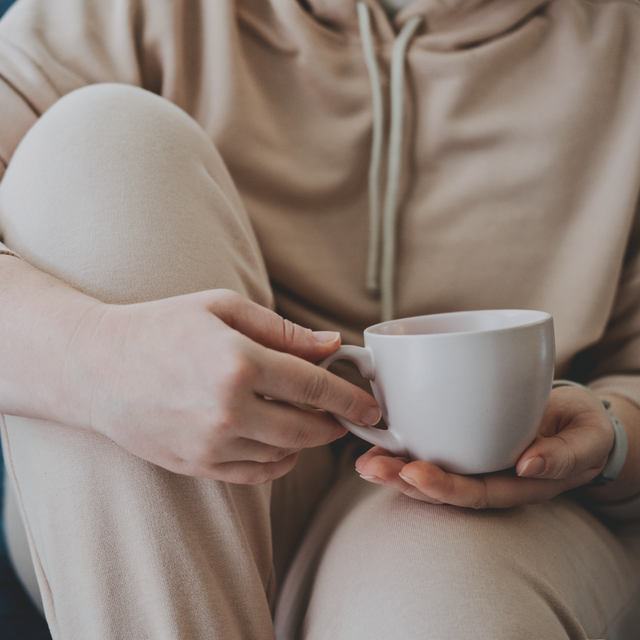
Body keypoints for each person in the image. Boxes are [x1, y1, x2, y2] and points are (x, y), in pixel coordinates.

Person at [0, 0, 639, 638]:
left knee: (445, 612)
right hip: (150, 511)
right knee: (97, 139)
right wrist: (93, 356)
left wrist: (612, 440)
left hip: (497, 503)